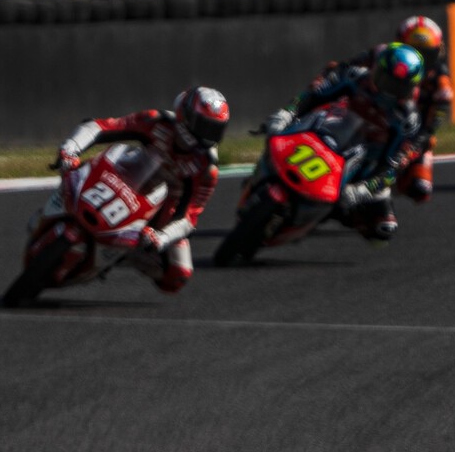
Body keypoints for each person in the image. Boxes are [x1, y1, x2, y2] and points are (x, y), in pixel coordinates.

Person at [31, 86, 229, 294]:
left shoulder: (206, 168)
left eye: (214, 130)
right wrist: (70, 149)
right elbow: (102, 126)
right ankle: (54, 208)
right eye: (203, 126)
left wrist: (161, 237)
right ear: (185, 116)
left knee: (178, 275)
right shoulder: (156, 121)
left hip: (164, 205)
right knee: (77, 168)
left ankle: (123, 255)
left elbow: (189, 216)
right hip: (128, 172)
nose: (206, 136)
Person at [262, 43, 424, 244]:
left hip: (365, 163)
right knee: (277, 130)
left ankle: (330, 213)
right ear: (376, 70)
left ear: (410, 88)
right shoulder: (355, 76)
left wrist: (364, 189)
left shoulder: (408, 120)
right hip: (331, 129)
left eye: (397, 87)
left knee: (382, 229)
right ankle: (267, 170)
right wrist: (287, 113)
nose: (388, 91)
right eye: (386, 81)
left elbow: (394, 166)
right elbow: (313, 95)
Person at [304, 16, 454, 203]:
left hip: (403, 134)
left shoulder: (442, 88)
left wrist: (405, 153)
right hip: (362, 113)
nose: (417, 60)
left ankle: (371, 190)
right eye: (413, 51)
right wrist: (318, 87)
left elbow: (427, 132)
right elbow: (341, 69)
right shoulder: (383, 55)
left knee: (419, 188)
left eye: (427, 55)